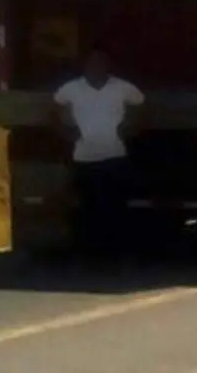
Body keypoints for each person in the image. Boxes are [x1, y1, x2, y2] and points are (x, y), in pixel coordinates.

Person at [52, 43, 145, 267]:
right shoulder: (71, 89)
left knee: (114, 208)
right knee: (86, 209)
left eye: (101, 62)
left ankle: (113, 256)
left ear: (108, 65)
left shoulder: (123, 88)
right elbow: (55, 110)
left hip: (114, 156)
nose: (97, 66)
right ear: (85, 65)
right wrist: (67, 133)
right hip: (83, 158)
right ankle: (87, 256)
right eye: (93, 62)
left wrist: (129, 130)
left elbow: (141, 107)